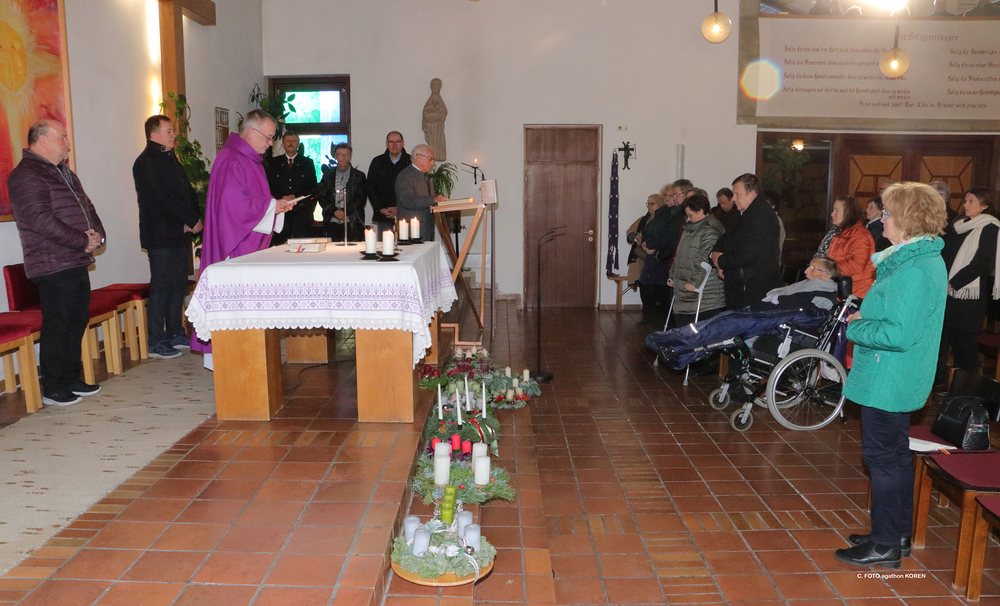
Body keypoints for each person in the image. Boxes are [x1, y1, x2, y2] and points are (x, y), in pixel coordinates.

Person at [836, 182, 948, 569]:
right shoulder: (915, 260)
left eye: (886, 214)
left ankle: (884, 545)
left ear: (906, 219)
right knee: (896, 456)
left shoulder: (915, 268)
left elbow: (898, 334)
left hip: (891, 376)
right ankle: (896, 534)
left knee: (883, 458)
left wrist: (856, 325)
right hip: (895, 374)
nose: (881, 220)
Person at [8, 120, 105, 406]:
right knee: (58, 324)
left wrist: (98, 236)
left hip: (74, 259)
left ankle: (70, 378)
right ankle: (52, 386)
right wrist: (81, 239)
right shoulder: (25, 175)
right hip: (51, 263)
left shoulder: (64, 172)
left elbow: (87, 207)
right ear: (43, 140)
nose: (67, 143)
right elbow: (40, 220)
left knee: (76, 320)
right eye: (62, 137)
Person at [194, 109, 296, 369]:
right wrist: (271, 206)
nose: (270, 143)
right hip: (235, 246)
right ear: (251, 132)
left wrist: (275, 206)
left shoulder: (250, 159)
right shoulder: (233, 159)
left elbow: (254, 200)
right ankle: (232, 363)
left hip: (248, 244)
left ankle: (246, 358)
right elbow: (232, 206)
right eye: (268, 137)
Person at [649, 257, 841, 371]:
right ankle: (674, 344)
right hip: (765, 316)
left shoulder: (823, 295)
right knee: (719, 322)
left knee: (722, 326)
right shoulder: (808, 286)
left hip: (774, 323)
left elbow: (800, 312)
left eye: (813, 268)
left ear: (826, 276)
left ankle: (677, 349)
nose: (806, 270)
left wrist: (774, 301)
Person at [132, 115, 203, 360]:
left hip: (179, 233)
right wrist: (188, 220)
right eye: (169, 131)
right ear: (155, 135)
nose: (174, 134)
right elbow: (162, 199)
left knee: (178, 283)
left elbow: (186, 192)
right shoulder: (145, 162)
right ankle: (156, 340)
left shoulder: (170, 157)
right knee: (161, 286)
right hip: (160, 235)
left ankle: (174, 332)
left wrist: (194, 218)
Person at [936, 187, 999, 386]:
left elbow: (981, 263)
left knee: (965, 344)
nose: (965, 205)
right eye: (965, 201)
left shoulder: (990, 227)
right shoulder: (959, 225)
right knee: (950, 339)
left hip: (970, 296)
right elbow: (948, 255)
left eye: (971, 201)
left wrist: (953, 284)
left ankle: (968, 390)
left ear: (985, 205)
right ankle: (950, 386)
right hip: (951, 292)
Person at [711, 173, 782, 310]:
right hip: (741, 283)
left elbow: (749, 254)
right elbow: (726, 237)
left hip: (754, 286)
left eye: (737, 194)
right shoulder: (743, 213)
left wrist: (720, 261)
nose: (734, 199)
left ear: (751, 194)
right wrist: (715, 253)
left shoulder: (762, 216)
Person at [669, 194, 726, 327]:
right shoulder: (689, 229)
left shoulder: (711, 230)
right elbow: (679, 255)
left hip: (705, 296)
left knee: (698, 332)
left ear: (700, 211)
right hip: (686, 291)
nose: (688, 219)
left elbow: (703, 260)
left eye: (690, 215)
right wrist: (672, 275)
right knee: (684, 330)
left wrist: (694, 283)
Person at [638, 181, 687, 327]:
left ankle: (660, 322)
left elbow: (668, 237)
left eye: (671, 195)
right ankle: (650, 319)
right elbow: (649, 232)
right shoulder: (661, 213)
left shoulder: (675, 215)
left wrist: (657, 251)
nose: (668, 198)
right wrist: (645, 243)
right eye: (666, 195)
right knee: (647, 287)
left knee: (661, 292)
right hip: (652, 256)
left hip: (663, 258)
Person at [265, 131, 318, 244]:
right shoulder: (274, 163)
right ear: (283, 144)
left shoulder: (307, 163)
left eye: (294, 141)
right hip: (281, 211)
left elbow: (313, 187)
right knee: (281, 244)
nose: (290, 143)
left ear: (298, 144)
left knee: (302, 243)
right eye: (288, 141)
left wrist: (295, 196)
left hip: (302, 210)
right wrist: (282, 197)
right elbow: (268, 186)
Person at [818, 195, 876, 297]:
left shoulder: (860, 235)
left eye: (837, 211)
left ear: (848, 213)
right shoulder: (842, 232)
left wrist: (829, 270)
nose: (832, 214)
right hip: (843, 287)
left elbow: (857, 265)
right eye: (833, 210)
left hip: (856, 290)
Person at [395, 144, 447, 241]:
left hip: (427, 227)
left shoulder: (426, 176)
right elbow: (407, 201)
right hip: (412, 231)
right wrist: (434, 199)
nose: (432, 163)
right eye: (430, 159)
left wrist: (439, 198)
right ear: (418, 157)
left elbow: (427, 197)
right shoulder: (405, 176)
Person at [318, 143, 367, 241]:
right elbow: (322, 197)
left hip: (352, 220)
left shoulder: (359, 176)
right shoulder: (327, 176)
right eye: (340, 154)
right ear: (336, 156)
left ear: (350, 157)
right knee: (332, 249)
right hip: (332, 220)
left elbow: (361, 198)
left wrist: (345, 211)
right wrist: (334, 212)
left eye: (346, 154)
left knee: (353, 249)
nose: (343, 157)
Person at [367, 131, 411, 234]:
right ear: (386, 144)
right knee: (385, 244)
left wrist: (400, 208)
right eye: (391, 142)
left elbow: (413, 189)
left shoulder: (410, 162)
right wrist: (380, 208)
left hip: (406, 214)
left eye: (397, 142)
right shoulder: (377, 162)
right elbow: (370, 187)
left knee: (406, 244)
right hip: (384, 215)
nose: (394, 145)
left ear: (403, 143)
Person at [625, 194, 663, 291]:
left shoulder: (665, 220)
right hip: (641, 260)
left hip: (656, 261)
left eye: (652, 203)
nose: (649, 206)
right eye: (648, 204)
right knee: (644, 289)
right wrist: (636, 237)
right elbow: (630, 231)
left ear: (660, 204)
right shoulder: (643, 220)